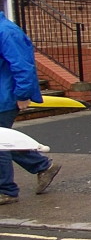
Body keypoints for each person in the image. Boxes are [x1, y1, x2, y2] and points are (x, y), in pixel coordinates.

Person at [0, 12, 61, 204]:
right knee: (5, 140)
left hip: (5, 98)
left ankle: (6, 191)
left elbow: (23, 65)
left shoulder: (6, 31)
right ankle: (42, 166)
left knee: (0, 144)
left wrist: (23, 94)